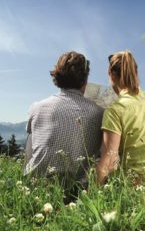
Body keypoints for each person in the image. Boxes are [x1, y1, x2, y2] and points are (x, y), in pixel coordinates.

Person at [25, 51, 103, 195]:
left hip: (38, 187)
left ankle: (29, 178)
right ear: (85, 80)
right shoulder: (99, 112)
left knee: (32, 134)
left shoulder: (37, 107)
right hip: (78, 190)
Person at [96, 50, 145, 184]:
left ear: (111, 74)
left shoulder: (115, 110)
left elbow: (109, 163)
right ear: (135, 73)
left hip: (135, 189)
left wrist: (91, 197)